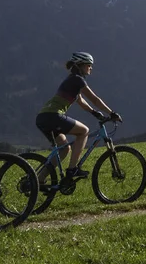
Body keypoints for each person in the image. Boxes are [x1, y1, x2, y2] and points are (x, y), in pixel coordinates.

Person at [35, 51, 119, 191]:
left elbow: (80, 101)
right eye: (89, 65)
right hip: (53, 116)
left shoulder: (72, 80)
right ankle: (72, 169)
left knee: (64, 149)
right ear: (80, 65)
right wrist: (111, 113)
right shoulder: (77, 80)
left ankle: (38, 180)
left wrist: (94, 112)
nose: (91, 68)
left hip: (43, 117)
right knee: (84, 131)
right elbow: (94, 99)